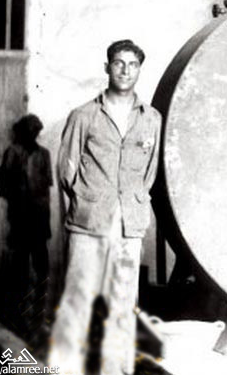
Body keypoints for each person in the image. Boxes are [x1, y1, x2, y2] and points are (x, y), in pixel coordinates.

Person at [48, 40, 161, 375]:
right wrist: (91, 199)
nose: (125, 70)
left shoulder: (151, 119)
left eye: (132, 64)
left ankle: (116, 369)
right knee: (78, 297)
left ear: (139, 70)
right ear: (107, 68)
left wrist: (130, 203)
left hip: (129, 224)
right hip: (89, 222)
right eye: (118, 63)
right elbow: (67, 171)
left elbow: (149, 174)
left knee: (123, 301)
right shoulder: (84, 116)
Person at [0, 113, 53, 342]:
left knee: (42, 269)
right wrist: (16, 198)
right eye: (29, 131)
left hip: (39, 220)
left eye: (36, 131)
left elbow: (46, 188)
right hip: (20, 220)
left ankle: (38, 319)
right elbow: (2, 185)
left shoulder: (44, 154)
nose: (33, 135)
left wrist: (44, 217)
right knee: (19, 270)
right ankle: (18, 319)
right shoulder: (12, 152)